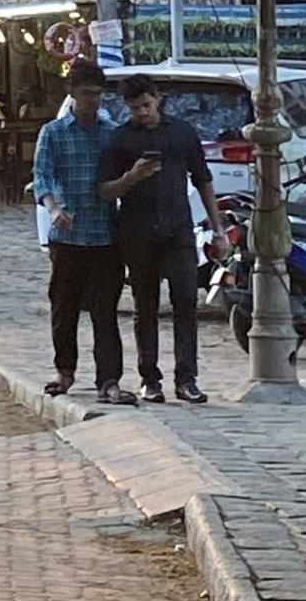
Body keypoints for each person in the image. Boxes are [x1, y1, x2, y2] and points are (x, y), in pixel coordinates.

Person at [99, 77, 217, 405]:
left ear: (158, 98)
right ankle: (149, 378)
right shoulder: (120, 139)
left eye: (146, 106)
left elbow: (203, 180)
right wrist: (132, 177)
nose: (142, 113)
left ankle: (187, 378)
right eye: (135, 108)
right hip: (137, 232)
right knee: (144, 307)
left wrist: (218, 229)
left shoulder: (182, 133)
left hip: (179, 229)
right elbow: (105, 191)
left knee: (186, 303)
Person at [30, 62, 127, 402]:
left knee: (105, 312)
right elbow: (41, 177)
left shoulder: (111, 133)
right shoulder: (53, 133)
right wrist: (53, 209)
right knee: (64, 307)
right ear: (72, 93)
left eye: (98, 95)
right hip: (67, 237)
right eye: (87, 94)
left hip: (105, 234)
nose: (93, 101)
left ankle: (109, 379)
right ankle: (65, 370)